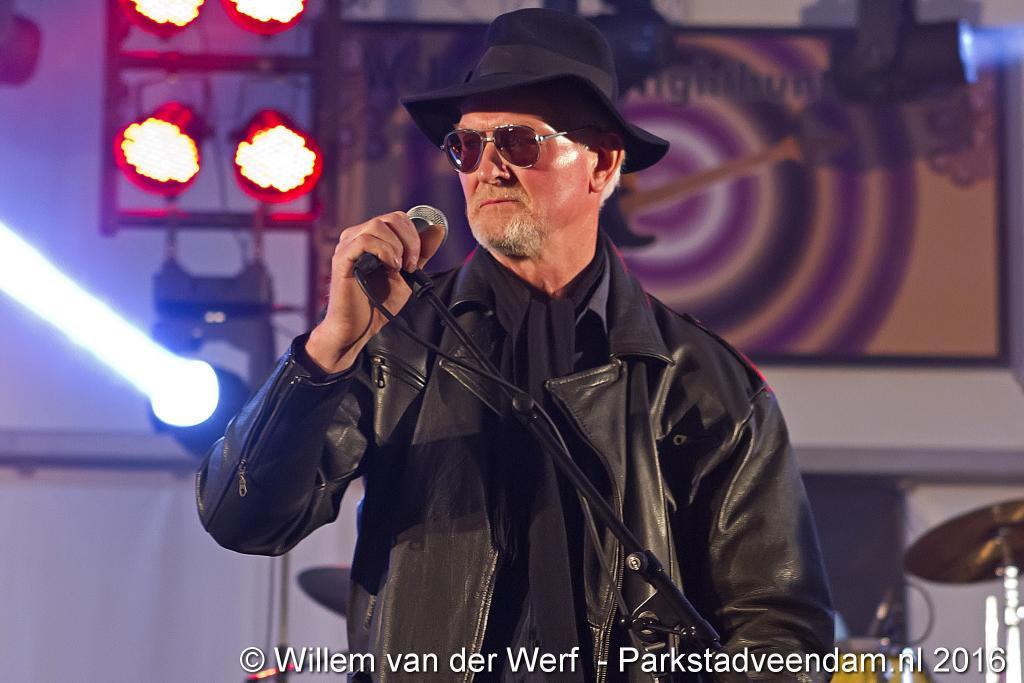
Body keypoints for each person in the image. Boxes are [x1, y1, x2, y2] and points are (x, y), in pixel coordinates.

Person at [197, 8, 834, 682]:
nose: (488, 169)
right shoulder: (396, 339)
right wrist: (329, 348)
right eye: (467, 146)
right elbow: (245, 519)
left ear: (602, 162)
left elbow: (782, 632)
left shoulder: (703, 380)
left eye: (519, 142)